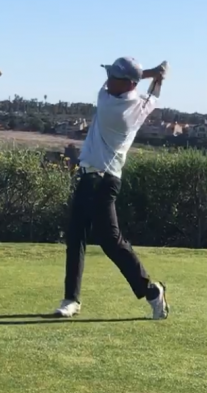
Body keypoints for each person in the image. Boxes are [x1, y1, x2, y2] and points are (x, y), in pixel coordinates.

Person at [54, 56, 170, 320]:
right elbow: (153, 97)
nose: (107, 80)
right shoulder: (141, 104)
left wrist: (153, 74)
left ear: (127, 84)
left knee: (111, 241)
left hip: (103, 181)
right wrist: (157, 77)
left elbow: (129, 88)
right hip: (90, 177)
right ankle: (71, 299)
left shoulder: (111, 107)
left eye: (113, 77)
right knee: (75, 237)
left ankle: (152, 291)